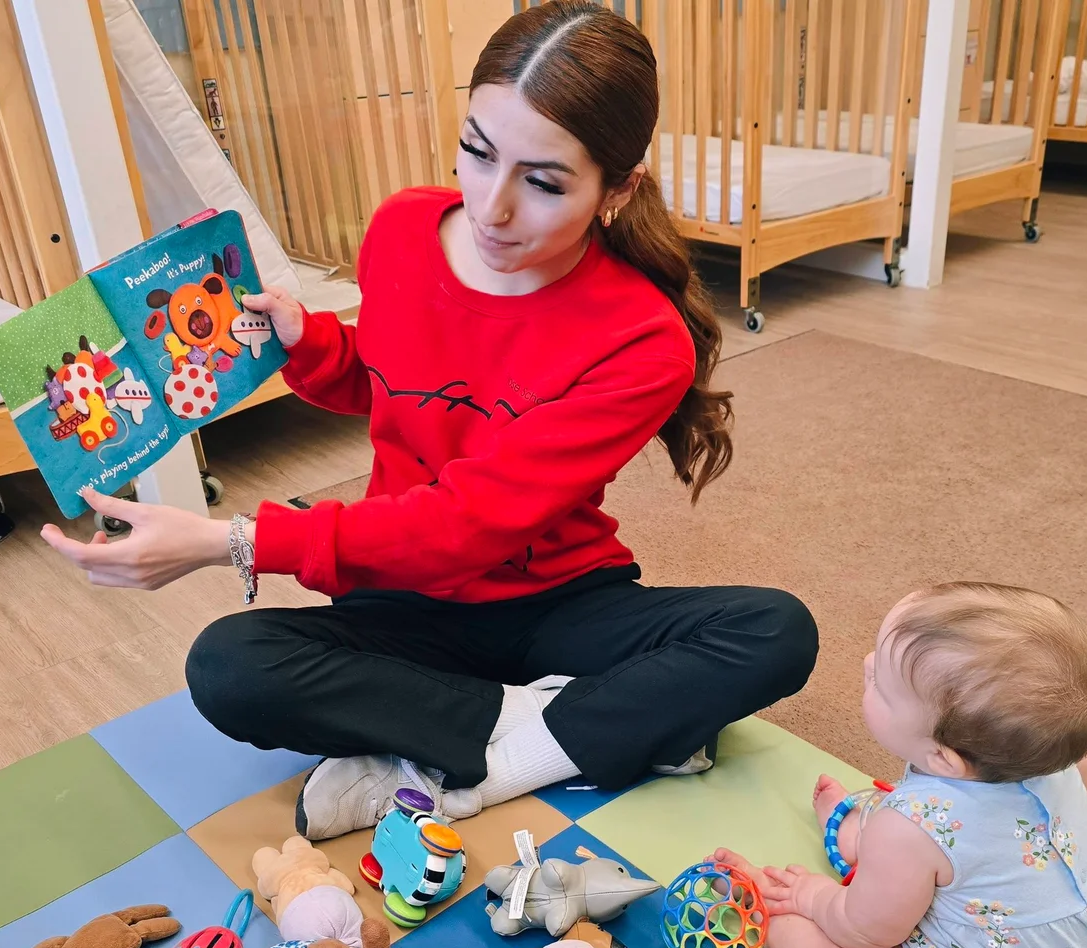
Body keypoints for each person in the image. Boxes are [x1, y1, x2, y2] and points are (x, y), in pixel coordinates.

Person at [42, 1, 818, 837]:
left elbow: (471, 522)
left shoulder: (642, 338)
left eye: (545, 183)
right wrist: (313, 348)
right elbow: (391, 388)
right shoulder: (405, 227)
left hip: (558, 601)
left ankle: (475, 759)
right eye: (477, 154)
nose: (491, 208)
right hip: (401, 601)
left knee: (775, 631)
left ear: (616, 191)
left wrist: (232, 542)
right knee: (229, 667)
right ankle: (567, 728)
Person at [712, 582, 1087, 948]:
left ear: (944, 758)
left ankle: (764, 912)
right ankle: (872, 844)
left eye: (881, 684)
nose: (865, 664)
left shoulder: (910, 827)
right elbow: (988, 835)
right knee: (918, 841)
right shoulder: (1059, 760)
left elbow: (865, 931)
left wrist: (812, 898)